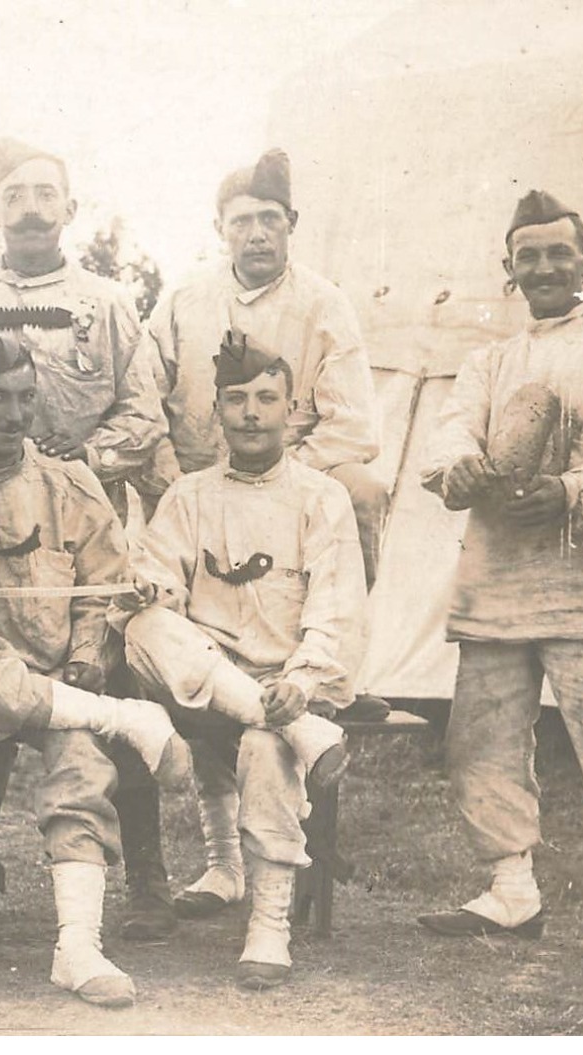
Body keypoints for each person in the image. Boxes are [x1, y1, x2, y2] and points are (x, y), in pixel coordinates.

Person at [0, 136, 173, 940]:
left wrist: (80, 460)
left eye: (44, 193)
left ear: (69, 208)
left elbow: (145, 412)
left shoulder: (109, 304)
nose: (29, 207)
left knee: (110, 681)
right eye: (13, 194)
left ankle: (146, 878)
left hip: (82, 520)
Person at [415, 191, 583, 987]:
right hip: (497, 578)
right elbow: (449, 431)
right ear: (508, 270)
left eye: (556, 253)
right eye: (526, 256)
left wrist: (572, 490)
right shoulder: (488, 361)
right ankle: (510, 889)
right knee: (482, 742)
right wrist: (458, 463)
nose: (542, 267)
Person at [0, 322, 191, 1008]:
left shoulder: (67, 482)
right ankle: (121, 715)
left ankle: (76, 944)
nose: (15, 415)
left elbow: (103, 585)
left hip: (55, 684)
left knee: (80, 757)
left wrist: (84, 655)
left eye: (24, 397)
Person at [143, 148, 388, 922]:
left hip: (290, 480)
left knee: (360, 493)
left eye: (269, 220)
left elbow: (354, 423)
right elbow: (140, 396)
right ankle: (222, 863)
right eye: (241, 220)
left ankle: (330, 662)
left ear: (291, 226)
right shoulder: (181, 297)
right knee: (175, 624)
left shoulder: (325, 304)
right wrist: (183, 480)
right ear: (218, 227)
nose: (255, 234)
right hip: (188, 495)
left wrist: (273, 481)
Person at [120, 329, 364, 990]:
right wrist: (152, 588)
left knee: (263, 740)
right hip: (206, 679)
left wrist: (300, 681)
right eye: (236, 399)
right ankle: (232, 852)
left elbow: (336, 608)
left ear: (290, 409)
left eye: (265, 398)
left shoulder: (320, 497)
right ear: (217, 413)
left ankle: (268, 924)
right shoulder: (190, 494)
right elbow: (158, 579)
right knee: (143, 624)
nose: (251, 412)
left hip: (289, 681)